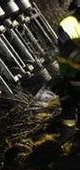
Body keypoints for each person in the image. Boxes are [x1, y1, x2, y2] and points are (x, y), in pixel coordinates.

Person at [56, 0, 80, 144]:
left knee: (68, 99)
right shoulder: (68, 24)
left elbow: (66, 51)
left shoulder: (67, 23)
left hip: (74, 73)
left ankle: (68, 136)